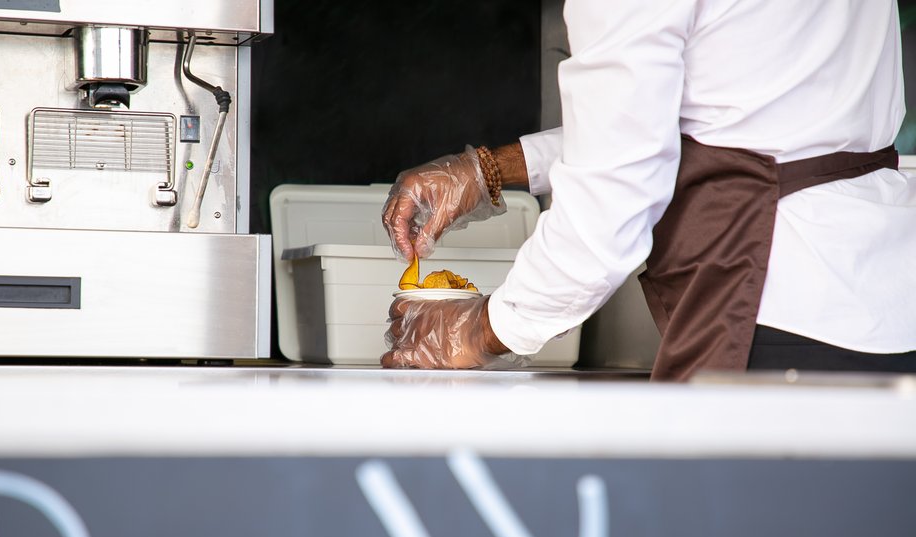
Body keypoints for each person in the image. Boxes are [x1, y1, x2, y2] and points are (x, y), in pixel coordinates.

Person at [381, 0, 916, 380]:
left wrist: (481, 330)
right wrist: (489, 171)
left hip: (773, 317)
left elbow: (607, 209)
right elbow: (735, 121)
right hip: (891, 312)